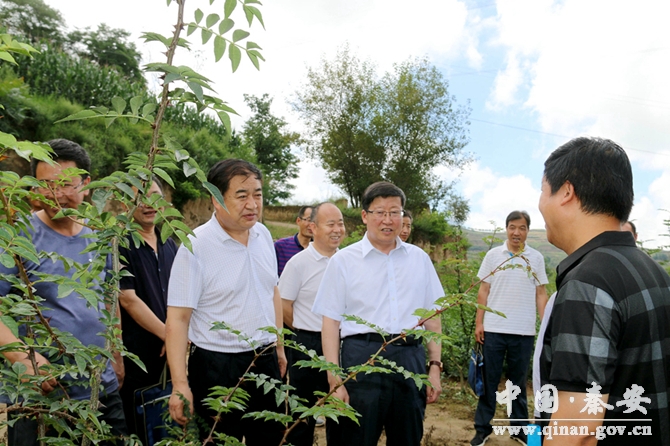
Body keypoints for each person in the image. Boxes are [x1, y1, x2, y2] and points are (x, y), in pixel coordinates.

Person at [538, 137, 670, 445]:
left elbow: (578, 430)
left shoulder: (588, 283)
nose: (540, 203)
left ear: (566, 192)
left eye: (543, 190)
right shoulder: (656, 273)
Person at [0, 139, 127, 444]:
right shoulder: (18, 236)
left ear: (87, 185)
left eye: (65, 184)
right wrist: (23, 358)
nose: (56, 194)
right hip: (41, 396)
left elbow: (109, 298)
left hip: (101, 389)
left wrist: (116, 354)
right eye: (45, 185)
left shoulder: (100, 236)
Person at [165, 159, 287, 445]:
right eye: (241, 196)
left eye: (257, 194)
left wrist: (279, 346)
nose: (252, 204)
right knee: (219, 440)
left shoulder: (263, 235)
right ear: (215, 198)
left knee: (271, 437)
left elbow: (272, 292)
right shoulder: (195, 245)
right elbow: (178, 319)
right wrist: (180, 384)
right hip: (216, 366)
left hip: (265, 360)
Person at [312, 181, 443, 446]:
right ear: (365, 216)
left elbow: (432, 317)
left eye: (394, 212)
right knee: (353, 439)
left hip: (409, 360)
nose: (388, 220)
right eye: (380, 212)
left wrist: (434, 367)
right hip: (362, 360)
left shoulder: (419, 259)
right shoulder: (344, 261)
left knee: (407, 438)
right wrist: (334, 379)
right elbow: (330, 322)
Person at [471, 210, 549, 446]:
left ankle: (519, 430)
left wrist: (545, 325)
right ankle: (482, 430)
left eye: (522, 228)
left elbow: (541, 293)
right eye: (513, 227)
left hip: (523, 331)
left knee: (518, 384)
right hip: (493, 329)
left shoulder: (536, 258)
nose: (517, 232)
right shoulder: (494, 255)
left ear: (527, 231)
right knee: (489, 382)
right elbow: (483, 290)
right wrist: (479, 323)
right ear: (506, 229)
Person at [279, 202, 345, 446]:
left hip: (342, 344)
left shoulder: (347, 261)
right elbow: (283, 304)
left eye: (341, 224)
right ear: (313, 228)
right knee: (302, 413)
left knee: (340, 409)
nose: (337, 230)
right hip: (306, 344)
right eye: (331, 224)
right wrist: (302, 328)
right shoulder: (299, 263)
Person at [118, 178, 177, 439]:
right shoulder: (120, 243)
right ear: (125, 203)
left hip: (169, 354)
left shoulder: (169, 243)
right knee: (138, 426)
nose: (148, 203)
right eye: (139, 197)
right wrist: (168, 334)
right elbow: (127, 298)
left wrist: (175, 336)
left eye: (154, 195)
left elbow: (180, 295)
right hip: (136, 356)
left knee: (166, 426)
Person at [274, 205, 313, 276]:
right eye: (309, 220)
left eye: (316, 221)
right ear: (298, 221)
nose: (312, 225)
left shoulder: (318, 250)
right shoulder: (280, 247)